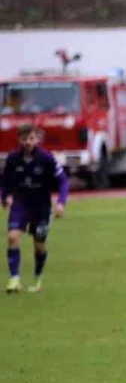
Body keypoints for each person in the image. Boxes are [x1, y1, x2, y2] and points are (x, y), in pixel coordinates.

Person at [2, 125, 68, 293]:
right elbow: (5, 181)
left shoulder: (46, 158)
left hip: (41, 207)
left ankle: (37, 278)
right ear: (19, 140)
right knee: (12, 237)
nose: (27, 142)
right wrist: (5, 197)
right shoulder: (12, 159)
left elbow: (63, 181)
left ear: (37, 139)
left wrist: (61, 202)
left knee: (39, 245)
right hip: (20, 204)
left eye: (31, 139)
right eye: (24, 139)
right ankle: (14, 279)